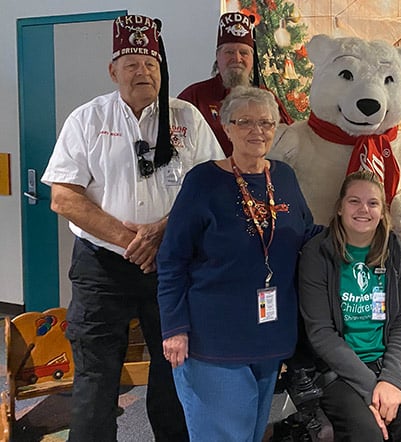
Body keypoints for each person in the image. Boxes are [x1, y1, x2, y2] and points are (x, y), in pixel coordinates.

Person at [41, 14, 223, 442]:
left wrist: (162, 233)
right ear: (113, 71)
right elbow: (63, 197)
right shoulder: (87, 119)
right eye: (132, 64)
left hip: (172, 264)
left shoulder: (188, 119)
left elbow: (211, 187)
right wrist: (132, 240)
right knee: (96, 376)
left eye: (152, 64)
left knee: (174, 369)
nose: (143, 71)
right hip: (102, 268)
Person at [157, 86, 319, 441]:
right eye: (244, 121)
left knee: (251, 432)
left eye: (265, 122)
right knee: (223, 435)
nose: (256, 131)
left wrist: (361, 233)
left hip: (270, 335)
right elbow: (172, 259)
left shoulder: (284, 177)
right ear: (226, 127)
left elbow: (307, 234)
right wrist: (174, 327)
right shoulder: (203, 182)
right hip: (213, 337)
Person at [298, 170, 401, 442]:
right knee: (366, 433)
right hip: (340, 369)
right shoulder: (317, 253)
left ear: (383, 211)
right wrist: (375, 388)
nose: (364, 209)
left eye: (373, 203)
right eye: (354, 202)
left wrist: (391, 380)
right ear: (339, 208)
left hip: (391, 361)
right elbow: (321, 333)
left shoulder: (395, 250)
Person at [178, 11, 293, 156]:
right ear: (217, 56)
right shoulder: (193, 97)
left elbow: (287, 142)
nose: (237, 58)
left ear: (252, 58)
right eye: (229, 52)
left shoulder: (267, 98)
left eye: (244, 53)